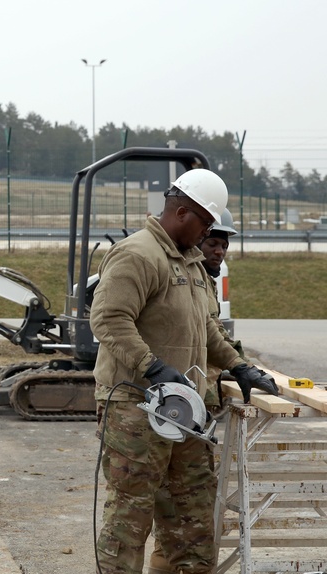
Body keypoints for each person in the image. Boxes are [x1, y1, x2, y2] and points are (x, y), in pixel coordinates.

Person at [90, 169, 279, 574]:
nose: (210, 233)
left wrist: (239, 366)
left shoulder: (191, 263)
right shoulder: (138, 254)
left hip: (187, 413)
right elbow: (109, 319)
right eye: (205, 223)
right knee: (131, 515)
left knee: (192, 516)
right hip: (136, 409)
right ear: (180, 212)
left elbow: (206, 328)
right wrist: (152, 367)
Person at [146, 207, 250, 574]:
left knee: (189, 503)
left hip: (194, 409)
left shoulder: (201, 281)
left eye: (223, 244)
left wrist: (241, 365)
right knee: (166, 503)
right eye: (212, 241)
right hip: (169, 403)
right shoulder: (170, 272)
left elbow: (213, 337)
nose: (218, 251)